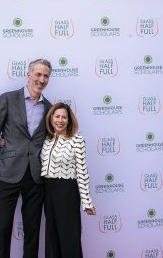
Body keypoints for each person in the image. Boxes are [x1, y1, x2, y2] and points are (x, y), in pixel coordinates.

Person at [0, 58, 52, 258]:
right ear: (28, 75)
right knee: (3, 228)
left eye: (46, 75)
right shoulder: (7, 99)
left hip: (36, 176)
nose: (42, 79)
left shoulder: (50, 107)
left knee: (33, 230)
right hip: (7, 172)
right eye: (38, 74)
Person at [40, 102, 96, 258]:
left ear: (69, 120)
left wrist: (86, 201)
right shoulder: (47, 139)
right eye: (57, 116)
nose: (60, 120)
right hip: (48, 192)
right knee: (52, 237)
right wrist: (3, 142)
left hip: (67, 192)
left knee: (69, 237)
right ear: (51, 118)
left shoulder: (77, 140)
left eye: (64, 117)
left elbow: (82, 172)